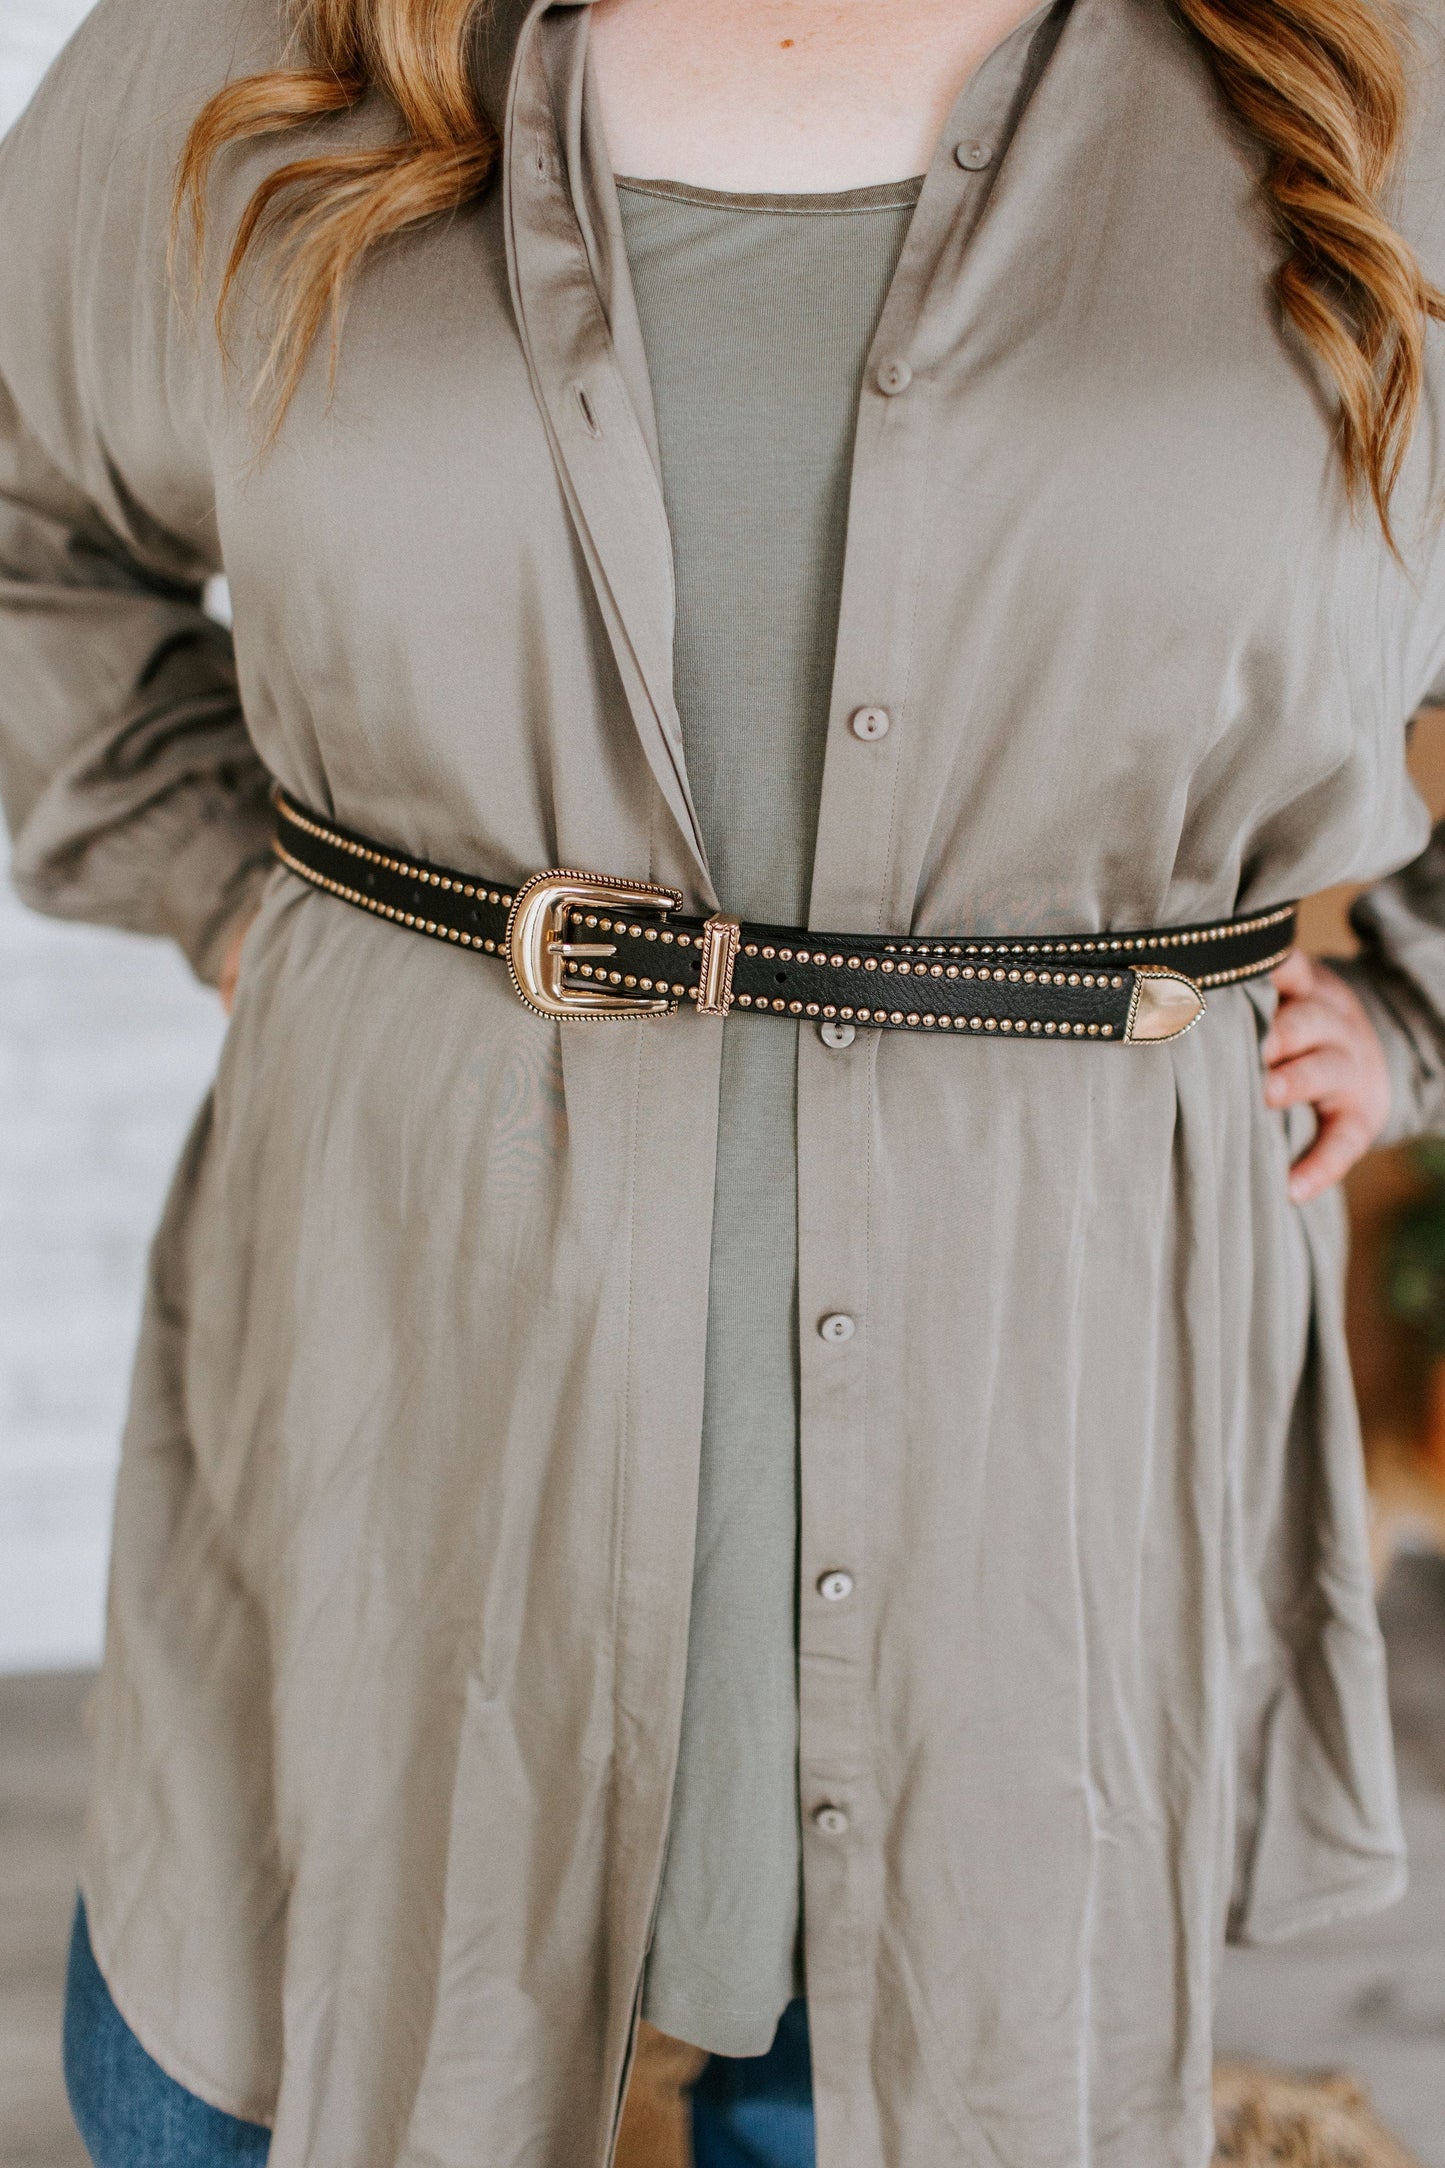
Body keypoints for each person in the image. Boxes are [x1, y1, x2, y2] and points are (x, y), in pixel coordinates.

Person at [3, 0, 1445, 2159]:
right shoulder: (256, 41)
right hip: (417, 1380)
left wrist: (1412, 1004)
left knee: (892, 2072)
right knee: (241, 2074)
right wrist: (227, 878)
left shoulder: (1383, 74)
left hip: (1027, 1429)